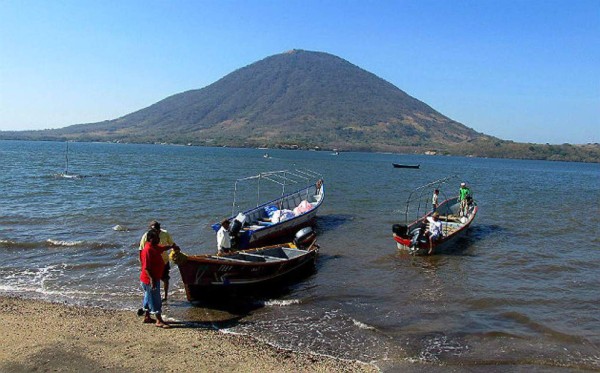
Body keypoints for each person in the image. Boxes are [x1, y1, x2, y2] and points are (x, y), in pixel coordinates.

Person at [139, 229, 178, 328]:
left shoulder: (154, 247)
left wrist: (172, 246)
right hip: (150, 279)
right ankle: (159, 320)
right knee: (155, 299)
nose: (158, 239)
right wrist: (152, 280)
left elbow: (162, 248)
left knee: (148, 297)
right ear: (150, 239)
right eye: (156, 238)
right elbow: (146, 268)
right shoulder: (148, 250)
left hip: (153, 278)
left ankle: (147, 317)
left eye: (158, 237)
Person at [139, 221, 175, 301]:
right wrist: (142, 264)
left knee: (165, 279)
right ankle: (151, 307)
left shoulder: (165, 233)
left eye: (157, 230)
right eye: (154, 230)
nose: (156, 232)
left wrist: (175, 249)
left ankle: (165, 297)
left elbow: (167, 246)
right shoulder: (146, 236)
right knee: (153, 284)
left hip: (164, 261)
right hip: (151, 264)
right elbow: (141, 250)